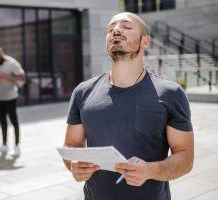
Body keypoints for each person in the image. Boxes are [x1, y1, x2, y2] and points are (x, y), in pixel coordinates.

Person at [62, 12, 194, 200]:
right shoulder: (83, 92)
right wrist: (73, 162)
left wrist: (149, 170)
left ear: (145, 42)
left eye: (126, 26)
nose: (116, 29)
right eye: (111, 28)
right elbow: (72, 144)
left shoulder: (171, 93)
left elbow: (185, 158)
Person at [0, 46, 26, 157]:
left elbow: (22, 78)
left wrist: (5, 77)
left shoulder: (12, 63)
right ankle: (4, 145)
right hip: (0, 98)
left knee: (14, 121)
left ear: (0, 54)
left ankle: (17, 146)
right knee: (2, 121)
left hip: (10, 98)